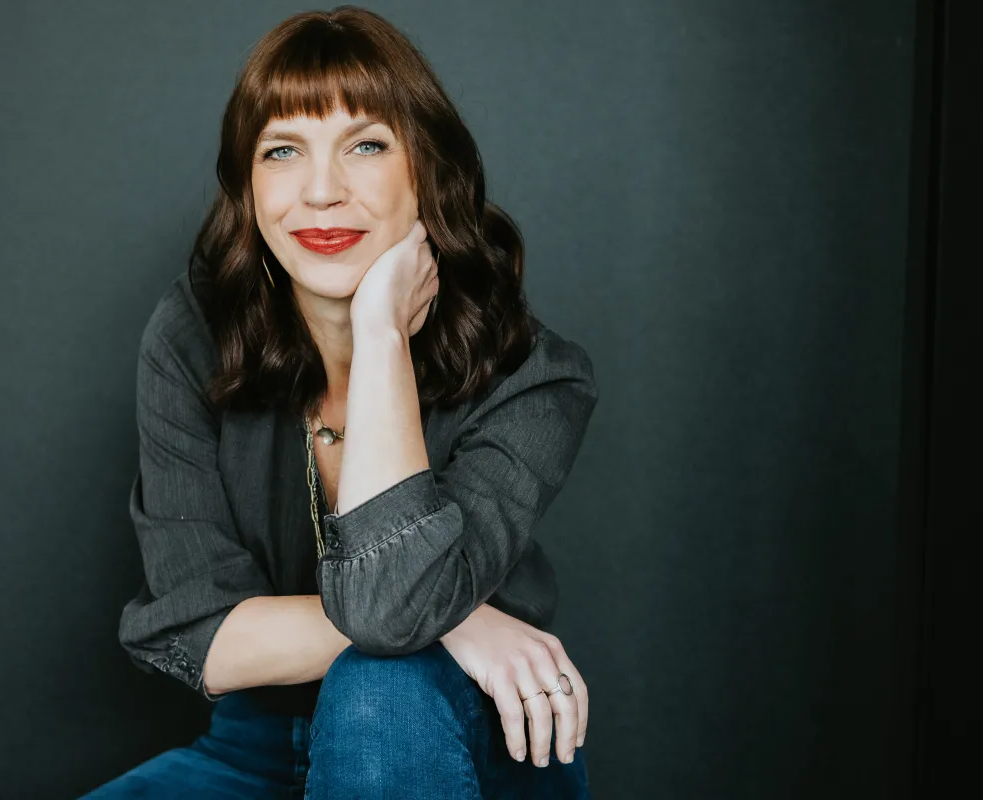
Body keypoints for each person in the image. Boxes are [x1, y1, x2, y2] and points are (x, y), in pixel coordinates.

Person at [81, 6, 599, 798]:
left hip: (458, 739)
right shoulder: (192, 339)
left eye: (366, 145)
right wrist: (457, 618)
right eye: (282, 150)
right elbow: (202, 636)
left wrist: (381, 333)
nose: (321, 192)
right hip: (253, 749)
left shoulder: (533, 375)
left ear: (425, 169)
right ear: (247, 186)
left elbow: (391, 623)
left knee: (380, 687)